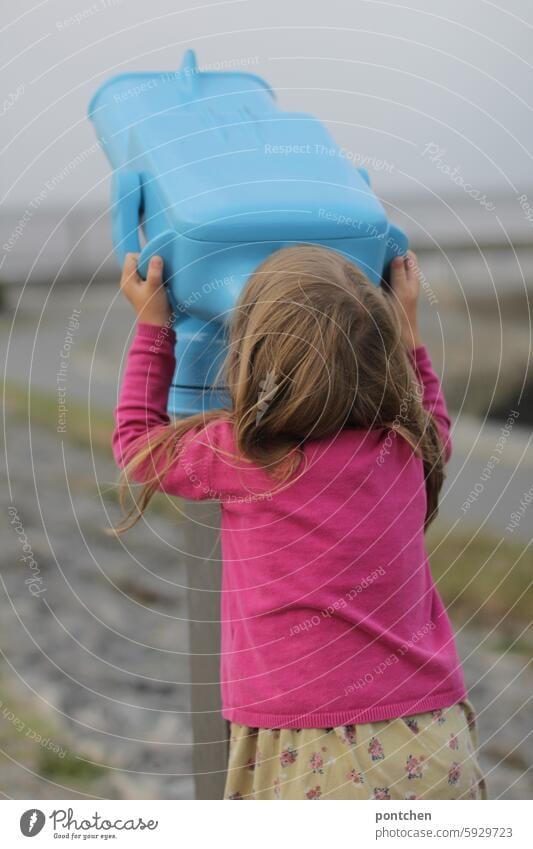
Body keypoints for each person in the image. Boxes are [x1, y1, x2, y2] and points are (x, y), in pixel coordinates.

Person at [111, 244, 486, 800]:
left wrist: (154, 328)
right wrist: (408, 326)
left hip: (307, 757)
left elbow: (137, 447)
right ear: (378, 354)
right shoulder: (406, 450)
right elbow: (432, 416)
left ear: (256, 360)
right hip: (433, 738)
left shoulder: (247, 458)